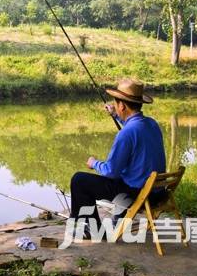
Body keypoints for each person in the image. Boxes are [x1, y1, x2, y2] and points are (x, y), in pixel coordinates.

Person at [69, 79, 166, 234]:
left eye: (116, 103)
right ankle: (116, 218)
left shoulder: (126, 133)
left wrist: (94, 163)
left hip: (137, 194)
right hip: (157, 193)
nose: (115, 106)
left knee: (79, 180)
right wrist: (116, 116)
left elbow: (111, 171)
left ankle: (91, 230)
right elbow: (134, 127)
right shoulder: (151, 124)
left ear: (122, 105)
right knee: (125, 173)